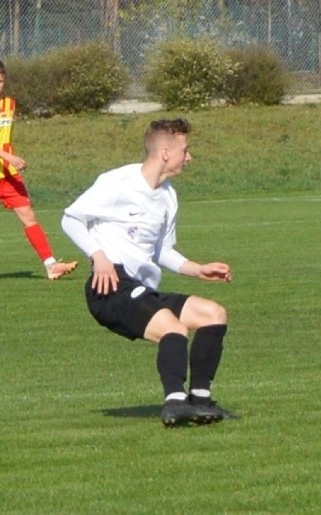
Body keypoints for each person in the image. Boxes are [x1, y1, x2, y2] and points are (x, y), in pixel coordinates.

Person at [61, 118, 236, 428]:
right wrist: (98, 256)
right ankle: (174, 404)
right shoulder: (118, 183)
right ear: (166, 153)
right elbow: (71, 219)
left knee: (213, 313)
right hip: (110, 286)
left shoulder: (168, 196)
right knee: (174, 329)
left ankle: (200, 401)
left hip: (142, 289)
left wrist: (198, 269)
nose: (190, 157)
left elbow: (162, 251)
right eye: (186, 149)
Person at [0, 59, 77, 284]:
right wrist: (9, 156)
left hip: (7, 172)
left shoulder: (10, 103)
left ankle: (51, 265)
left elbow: (4, 137)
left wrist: (10, 159)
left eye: (0, 81)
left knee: (28, 214)